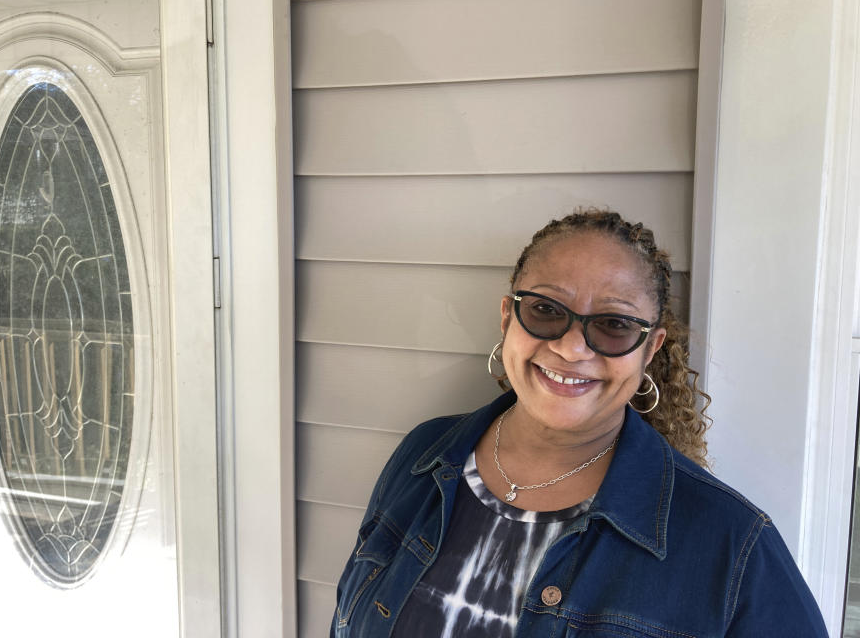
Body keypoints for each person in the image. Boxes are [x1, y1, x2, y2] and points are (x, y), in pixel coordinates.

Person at [331, 209, 827, 638]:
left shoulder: (731, 545)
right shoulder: (425, 454)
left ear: (649, 349)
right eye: (546, 311)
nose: (571, 348)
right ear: (508, 319)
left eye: (614, 324)